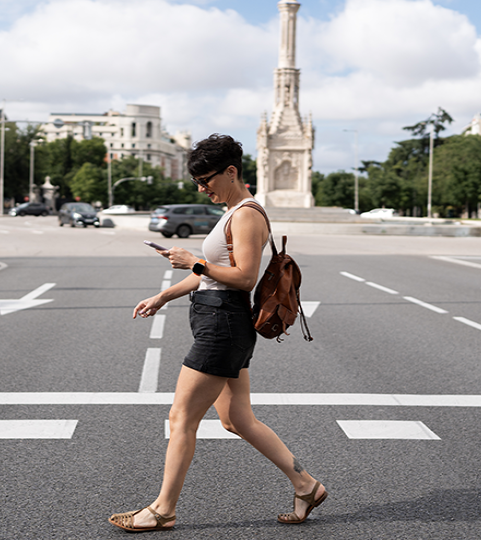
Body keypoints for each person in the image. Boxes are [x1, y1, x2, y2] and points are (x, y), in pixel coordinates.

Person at [108, 134, 327, 532]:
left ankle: (162, 510)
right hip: (223, 321)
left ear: (231, 172)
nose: (201, 188)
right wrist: (164, 295)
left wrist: (194, 262)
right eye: (197, 182)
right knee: (236, 419)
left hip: (222, 327)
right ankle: (306, 485)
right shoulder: (233, 212)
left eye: (207, 179)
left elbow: (243, 278)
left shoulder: (245, 214)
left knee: (181, 418)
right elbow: (210, 279)